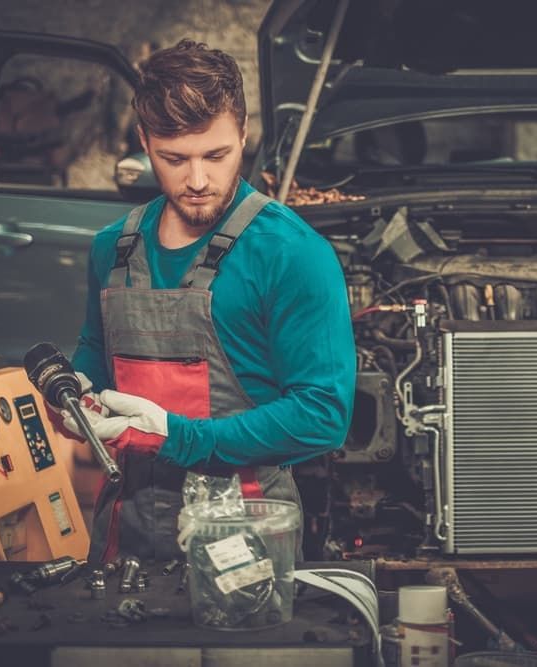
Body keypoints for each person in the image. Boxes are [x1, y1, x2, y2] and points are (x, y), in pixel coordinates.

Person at [65, 39, 356, 564]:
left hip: (243, 542)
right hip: (123, 533)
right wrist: (78, 393)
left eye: (216, 155)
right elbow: (94, 348)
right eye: (173, 159)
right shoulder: (112, 246)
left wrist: (177, 436)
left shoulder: (291, 253)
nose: (197, 180)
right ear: (144, 142)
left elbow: (322, 415)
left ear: (244, 135)